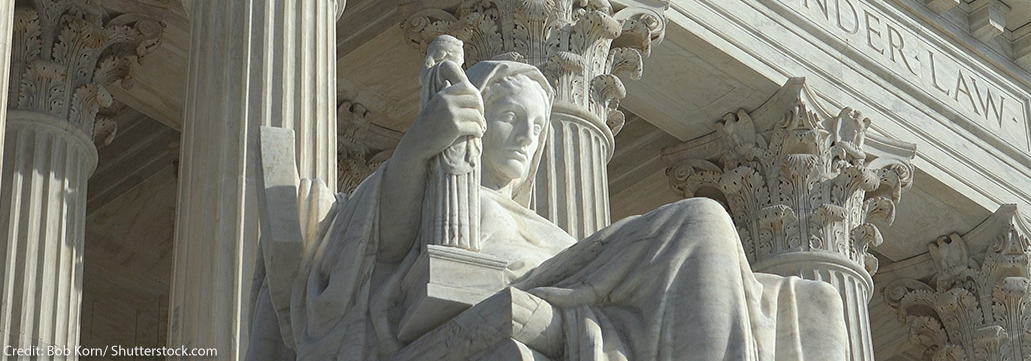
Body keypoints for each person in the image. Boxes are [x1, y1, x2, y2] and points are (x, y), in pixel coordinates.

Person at [250, 37, 851, 360]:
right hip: (519, 308)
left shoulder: (538, 224)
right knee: (702, 222)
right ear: (476, 117)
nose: (524, 136)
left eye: (537, 128)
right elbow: (383, 257)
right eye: (508, 116)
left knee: (817, 303)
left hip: (574, 306)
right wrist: (419, 148)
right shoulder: (430, 191)